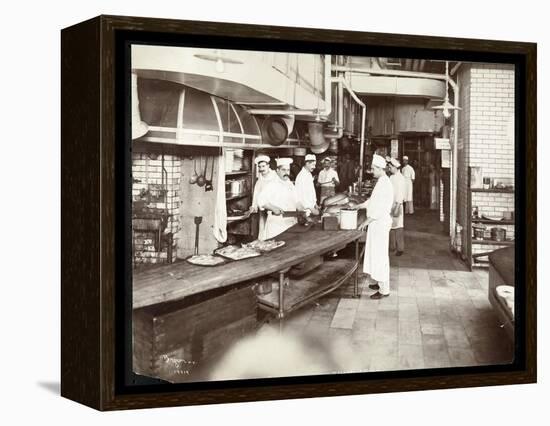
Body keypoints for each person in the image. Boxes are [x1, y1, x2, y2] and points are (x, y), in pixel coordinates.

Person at [354, 154, 394, 299]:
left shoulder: (385, 183)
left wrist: (366, 222)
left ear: (379, 168)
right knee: (375, 254)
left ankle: (384, 290)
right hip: (376, 223)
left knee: (380, 256)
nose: (371, 171)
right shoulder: (381, 181)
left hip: (380, 223)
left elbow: (379, 208)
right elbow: (373, 201)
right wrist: (360, 205)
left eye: (373, 168)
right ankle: (378, 281)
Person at [257, 158, 302, 240]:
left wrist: (303, 211)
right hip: (276, 225)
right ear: (277, 170)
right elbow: (261, 200)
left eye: (288, 170)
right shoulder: (272, 184)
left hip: (291, 223)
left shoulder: (290, 185)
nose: (286, 173)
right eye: (283, 170)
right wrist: (273, 208)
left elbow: (297, 201)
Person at [249, 154, 278, 239]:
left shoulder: (275, 177)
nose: (261, 169)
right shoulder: (260, 180)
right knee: (262, 229)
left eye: (263, 166)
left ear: (268, 166)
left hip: (274, 208)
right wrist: (254, 206)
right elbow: (256, 194)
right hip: (263, 209)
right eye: (260, 167)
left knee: (273, 229)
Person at [388, 158, 406, 255]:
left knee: (398, 226)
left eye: (390, 167)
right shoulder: (391, 177)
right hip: (391, 203)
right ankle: (392, 246)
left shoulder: (401, 178)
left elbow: (400, 193)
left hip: (397, 204)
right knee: (391, 226)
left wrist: (397, 205)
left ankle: (400, 248)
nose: (389, 169)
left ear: (395, 167)